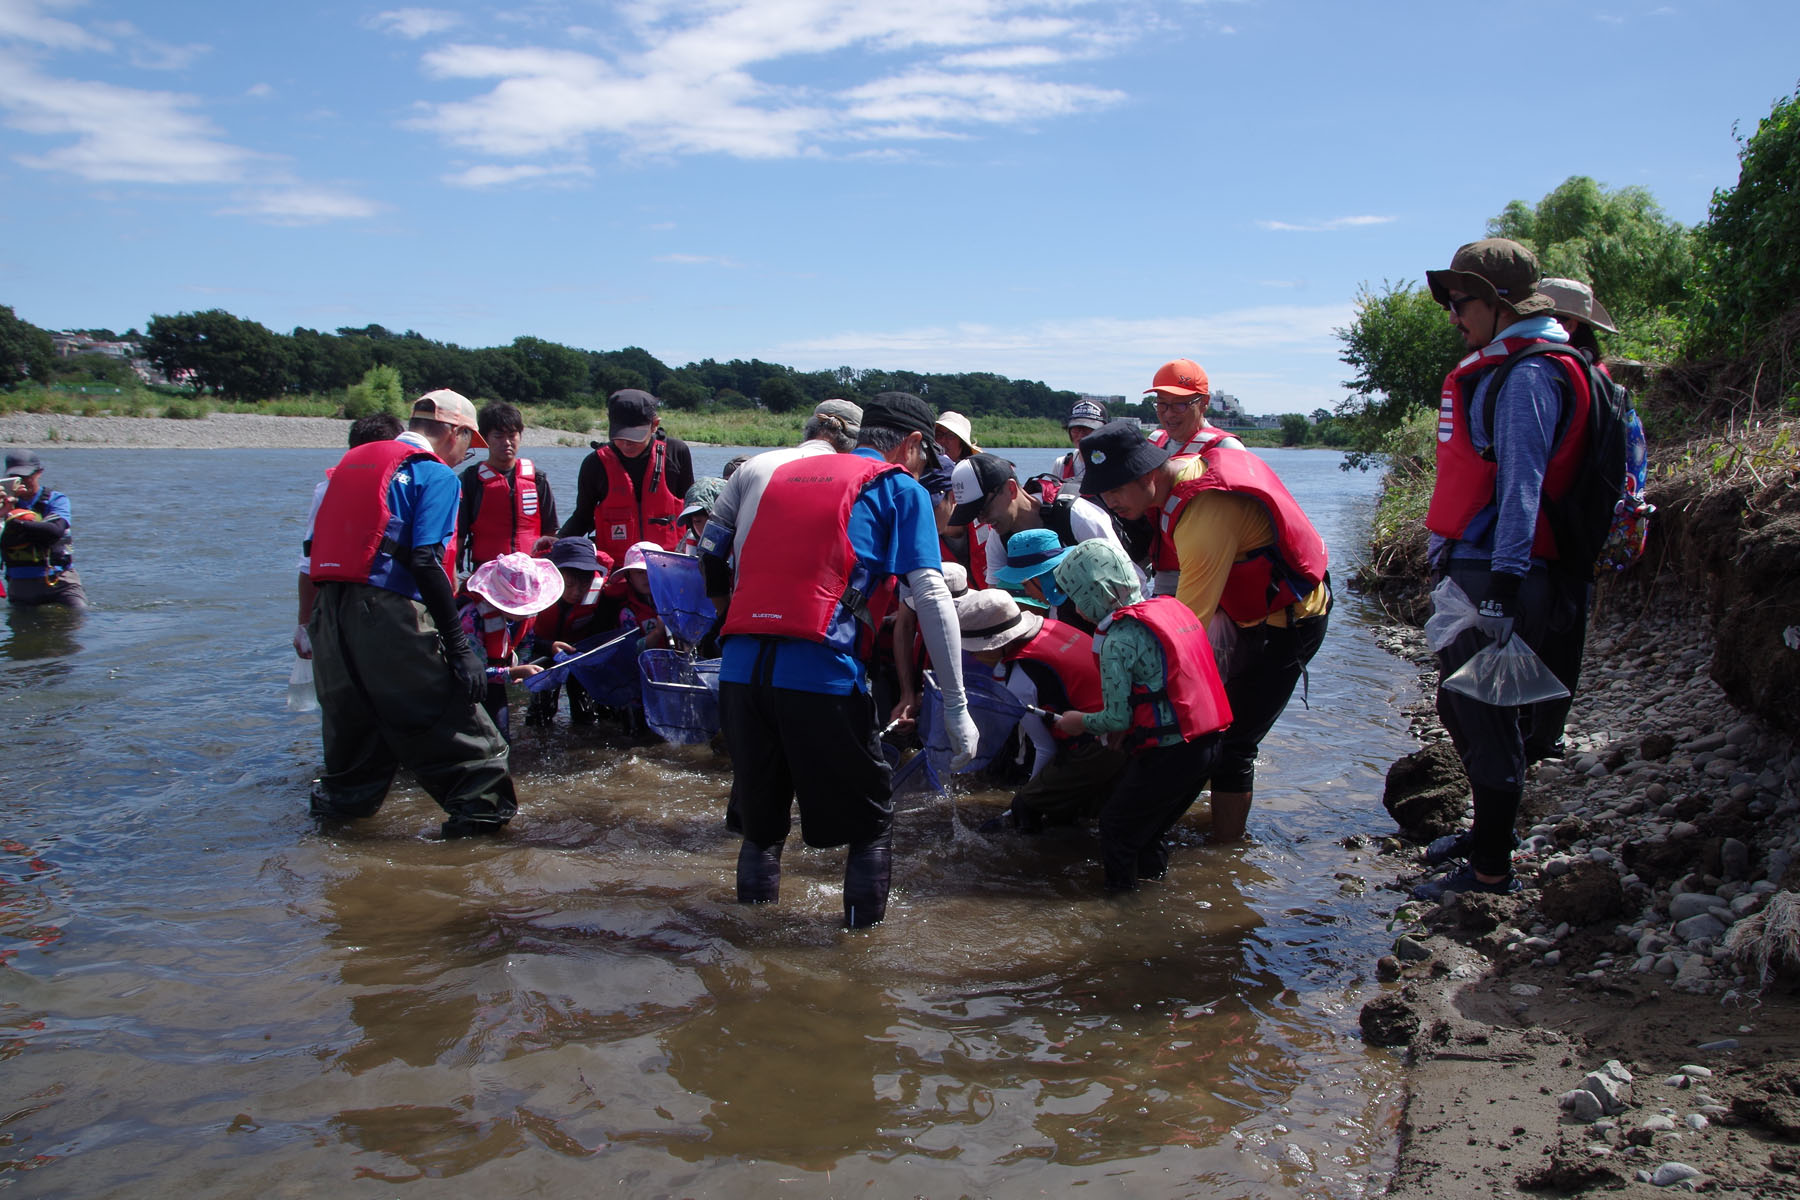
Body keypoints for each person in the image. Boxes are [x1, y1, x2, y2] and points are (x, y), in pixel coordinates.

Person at [717, 392, 978, 929]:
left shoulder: (783, 475)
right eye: (925, 456)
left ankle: (748, 945)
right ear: (911, 444)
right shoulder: (899, 487)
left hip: (739, 673)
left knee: (762, 831)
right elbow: (930, 596)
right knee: (870, 825)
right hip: (821, 675)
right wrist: (956, 706)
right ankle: (860, 954)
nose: (922, 468)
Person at [1412, 239, 1600, 900]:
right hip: (1490, 568)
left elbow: (1522, 482)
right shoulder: (1527, 364)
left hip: (1499, 573)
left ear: (1498, 302)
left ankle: (1490, 871)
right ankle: (1487, 837)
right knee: (1465, 707)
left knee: (1486, 718)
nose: (1453, 315)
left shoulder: (1528, 376)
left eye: (1460, 301)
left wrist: (1504, 588)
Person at [1078, 418, 1330, 844]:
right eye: (1102, 491)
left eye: (1117, 488)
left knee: (1234, 744)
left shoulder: (1204, 516)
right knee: (1213, 727)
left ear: (1147, 473)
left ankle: (1227, 850)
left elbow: (1183, 633)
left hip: (1292, 621)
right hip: (1248, 613)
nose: (1110, 500)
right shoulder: (1181, 473)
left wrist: (1126, 707)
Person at [306, 389, 518, 837]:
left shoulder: (347, 466)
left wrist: (304, 625)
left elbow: (310, 558)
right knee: (477, 758)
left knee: (354, 759)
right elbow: (425, 561)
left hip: (329, 617)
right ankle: (476, 861)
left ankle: (332, 854)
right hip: (387, 614)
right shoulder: (434, 475)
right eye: (469, 444)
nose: (464, 456)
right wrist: (459, 649)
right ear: (456, 433)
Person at [1048, 541, 1231, 892]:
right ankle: (1153, 896)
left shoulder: (1118, 640)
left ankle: (1120, 907)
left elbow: (1116, 719)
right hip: (1209, 742)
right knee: (1148, 832)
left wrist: (1077, 722)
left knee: (1116, 827)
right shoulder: (1170, 606)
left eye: (1078, 597)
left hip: (1171, 753)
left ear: (1097, 593)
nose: (1077, 608)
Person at [1523, 277, 1619, 762]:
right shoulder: (1599, 376)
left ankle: (1533, 735)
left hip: (1559, 521)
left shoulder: (1562, 373)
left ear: (1570, 323)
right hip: (1583, 523)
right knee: (1565, 630)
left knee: (1545, 632)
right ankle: (1546, 732)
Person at [955, 587, 1124, 834]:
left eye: (975, 649)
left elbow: (1045, 748)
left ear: (997, 643)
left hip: (1102, 740)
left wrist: (1029, 796)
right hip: (1124, 724)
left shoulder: (1021, 680)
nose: (972, 655)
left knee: (1027, 806)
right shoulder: (1051, 627)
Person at [698, 398, 862, 599]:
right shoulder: (855, 477)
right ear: (854, 443)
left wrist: (723, 610)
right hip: (817, 611)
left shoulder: (752, 466)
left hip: (746, 608)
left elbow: (710, 549)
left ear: (809, 430)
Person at [948, 452, 1127, 612]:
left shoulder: (1078, 516)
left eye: (983, 509)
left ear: (1011, 489)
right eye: (974, 514)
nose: (981, 520)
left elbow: (1129, 582)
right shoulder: (999, 536)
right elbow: (995, 597)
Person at [294, 413, 404, 661]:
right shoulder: (404, 487)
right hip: (379, 604)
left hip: (345, 603)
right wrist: (304, 624)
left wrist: (304, 623)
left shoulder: (327, 489)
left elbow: (308, 561)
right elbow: (309, 559)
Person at [558, 389, 695, 565]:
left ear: (654, 425)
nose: (626, 443)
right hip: (618, 569)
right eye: (620, 436)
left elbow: (693, 512)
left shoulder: (676, 453)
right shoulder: (594, 463)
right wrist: (558, 539)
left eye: (634, 437)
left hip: (668, 567)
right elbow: (582, 517)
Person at [460, 551, 564, 739]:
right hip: (465, 688)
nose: (526, 613)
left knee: (502, 736)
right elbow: (469, 672)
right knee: (481, 739)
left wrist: (525, 662)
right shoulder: (471, 620)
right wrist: (512, 673)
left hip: (495, 681)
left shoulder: (523, 617)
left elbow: (526, 642)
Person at [458, 401, 557, 577]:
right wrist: (452, 574)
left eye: (512, 435)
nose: (507, 443)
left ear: (520, 436)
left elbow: (550, 532)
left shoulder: (538, 479)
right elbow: (458, 534)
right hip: (487, 573)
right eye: (498, 436)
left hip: (531, 572)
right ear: (485, 438)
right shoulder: (470, 480)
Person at [524, 537, 612, 727]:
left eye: (583, 585)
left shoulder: (600, 591)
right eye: (569, 585)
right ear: (554, 576)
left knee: (586, 712)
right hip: (543, 648)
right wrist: (548, 647)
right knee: (540, 713)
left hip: (579, 652)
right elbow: (520, 638)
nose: (576, 592)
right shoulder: (533, 592)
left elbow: (603, 629)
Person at [2, 450, 85, 610]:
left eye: (26, 476)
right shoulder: (3, 505)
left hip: (60, 580)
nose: (22, 481)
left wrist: (17, 523)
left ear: (39, 473)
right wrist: (4, 511)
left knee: (79, 614)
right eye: (16, 477)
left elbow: (55, 531)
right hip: (21, 584)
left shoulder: (56, 500)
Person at [1144, 358, 1246, 456]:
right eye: (1162, 404)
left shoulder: (1226, 448)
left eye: (1179, 404)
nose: (1169, 414)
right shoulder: (1153, 443)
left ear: (1204, 402)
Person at [1051, 399, 1108, 486]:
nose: (1081, 435)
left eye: (1088, 429)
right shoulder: (1061, 464)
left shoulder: (1112, 463)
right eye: (1076, 429)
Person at [676, 476, 726, 555]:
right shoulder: (690, 536)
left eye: (710, 520)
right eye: (696, 521)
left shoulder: (739, 539)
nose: (701, 528)